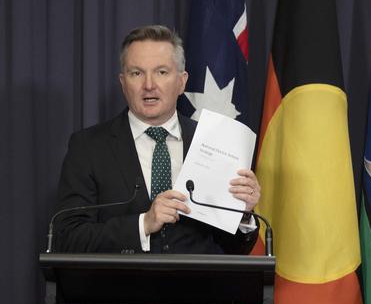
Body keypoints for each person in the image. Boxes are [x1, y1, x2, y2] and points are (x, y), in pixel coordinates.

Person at [54, 25, 260, 254]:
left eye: (161, 72)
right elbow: (68, 238)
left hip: (197, 288)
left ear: (181, 82)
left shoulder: (214, 144)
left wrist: (242, 213)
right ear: (123, 83)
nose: (149, 85)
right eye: (137, 73)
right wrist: (143, 223)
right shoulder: (88, 147)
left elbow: (233, 249)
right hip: (117, 288)